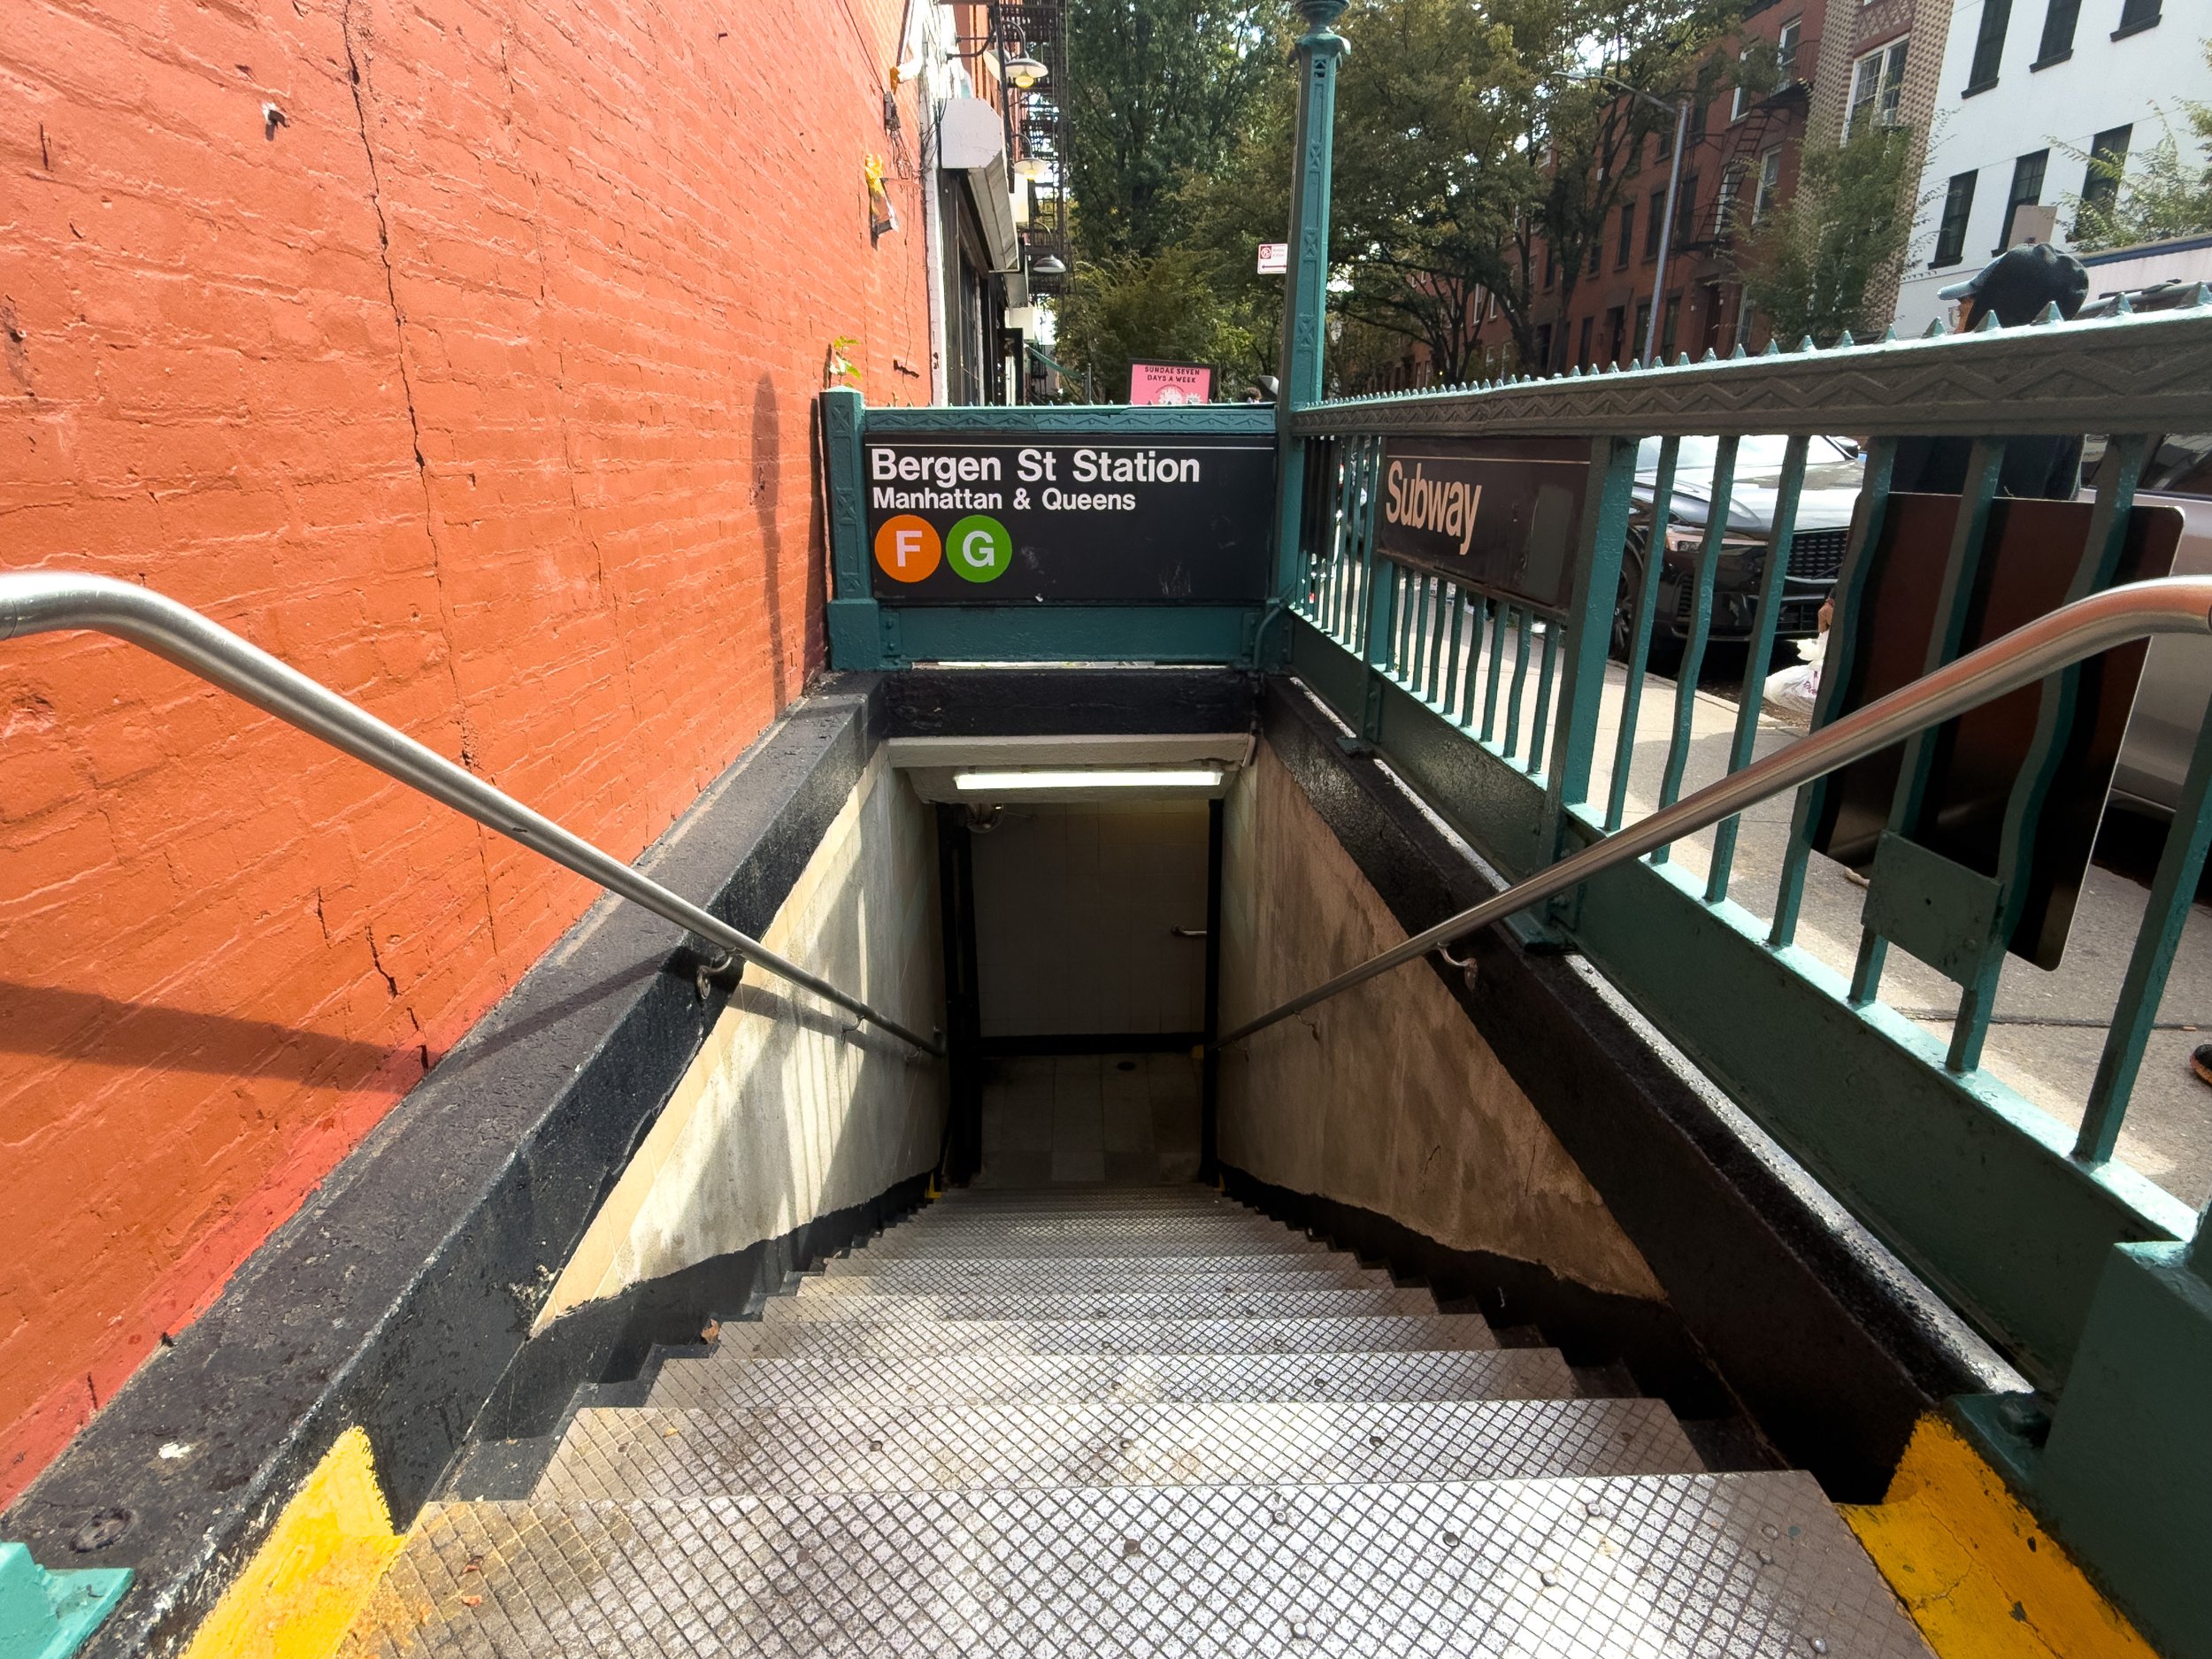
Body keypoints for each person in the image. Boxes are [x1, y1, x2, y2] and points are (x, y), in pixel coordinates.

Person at [1891, 242, 2093, 500]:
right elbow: (2060, 504)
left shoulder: (1937, 385)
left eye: (1962, 313)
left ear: (1992, 308)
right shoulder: (2069, 405)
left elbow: (1890, 489)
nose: (1955, 328)